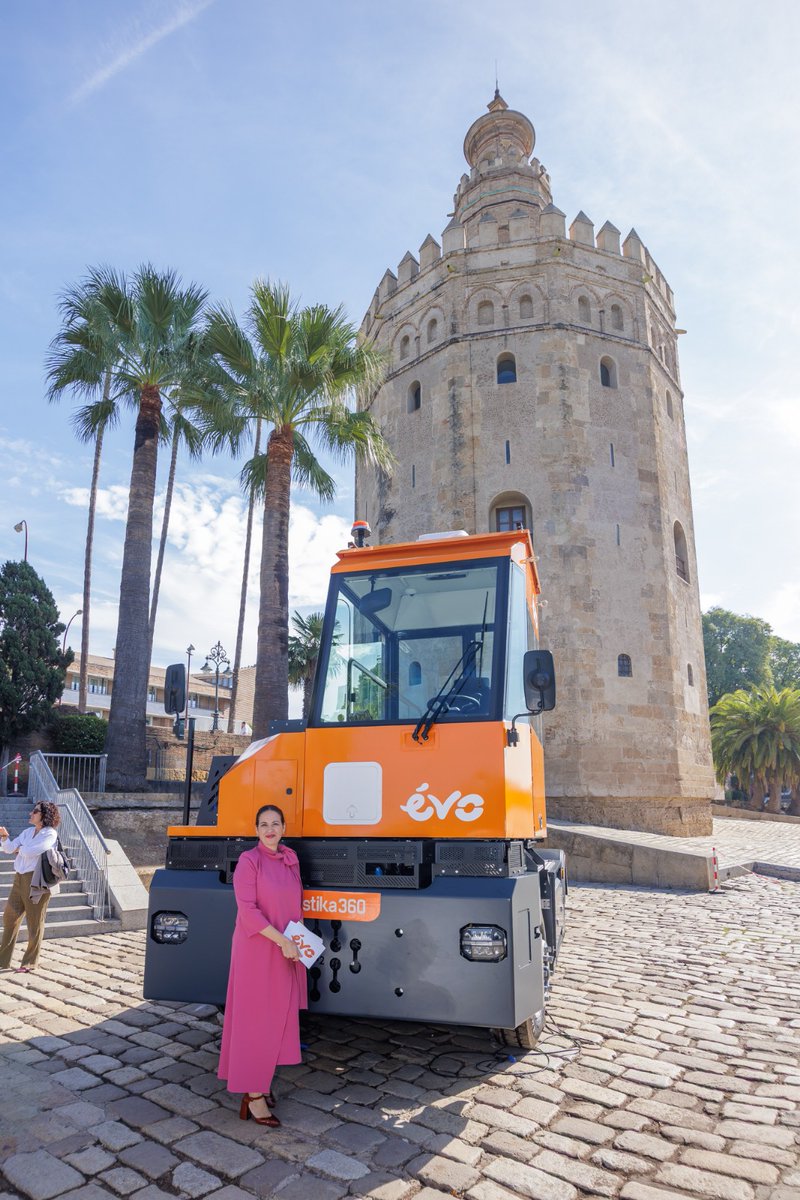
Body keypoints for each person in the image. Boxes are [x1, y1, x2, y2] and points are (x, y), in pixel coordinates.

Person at [218, 803, 305, 1126]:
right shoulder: (249, 861)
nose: (270, 829)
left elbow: (294, 907)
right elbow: (248, 911)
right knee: (255, 1020)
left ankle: (261, 1083)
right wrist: (283, 941)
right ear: (256, 830)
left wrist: (298, 943)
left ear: (284, 828)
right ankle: (253, 1096)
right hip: (258, 948)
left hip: (285, 949)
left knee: (276, 1019)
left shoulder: (290, 860)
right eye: (264, 824)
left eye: (276, 824)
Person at [0, 801, 60, 973]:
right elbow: (10, 849)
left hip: (37, 881)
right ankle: (3, 960)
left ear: (44, 815)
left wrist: (20, 848)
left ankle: (30, 962)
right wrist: (5, 837)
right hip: (19, 878)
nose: (30, 814)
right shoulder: (27, 832)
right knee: (10, 917)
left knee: (35, 922)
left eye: (34, 811)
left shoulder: (50, 834)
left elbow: (32, 851)